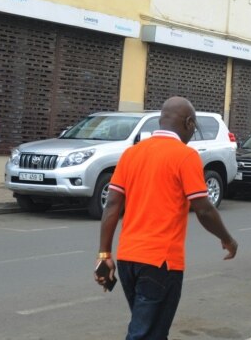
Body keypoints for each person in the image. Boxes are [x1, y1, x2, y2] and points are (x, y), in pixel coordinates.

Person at [95, 96, 238, 340]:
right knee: (145, 334)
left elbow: (112, 206)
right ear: (190, 123)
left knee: (153, 331)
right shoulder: (185, 156)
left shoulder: (131, 154)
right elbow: (203, 208)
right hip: (161, 263)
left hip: (129, 259)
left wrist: (104, 255)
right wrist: (227, 239)